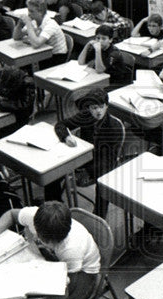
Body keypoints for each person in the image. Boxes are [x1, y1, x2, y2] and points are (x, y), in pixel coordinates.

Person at [54, 88, 126, 217]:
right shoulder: (85, 116)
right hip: (81, 159)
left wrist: (88, 171)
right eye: (94, 108)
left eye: (101, 107)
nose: (98, 111)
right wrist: (66, 137)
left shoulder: (114, 126)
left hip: (101, 165)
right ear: (89, 108)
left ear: (106, 106)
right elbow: (60, 125)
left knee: (104, 179)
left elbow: (109, 161)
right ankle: (53, 205)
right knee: (53, 171)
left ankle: (99, 216)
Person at [13, 0, 69, 66]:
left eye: (31, 11)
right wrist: (19, 25)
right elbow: (16, 37)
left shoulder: (50, 24)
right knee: (22, 64)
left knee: (25, 65)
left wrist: (28, 24)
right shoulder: (34, 21)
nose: (29, 14)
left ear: (40, 12)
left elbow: (36, 44)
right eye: (28, 10)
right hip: (43, 53)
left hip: (56, 58)